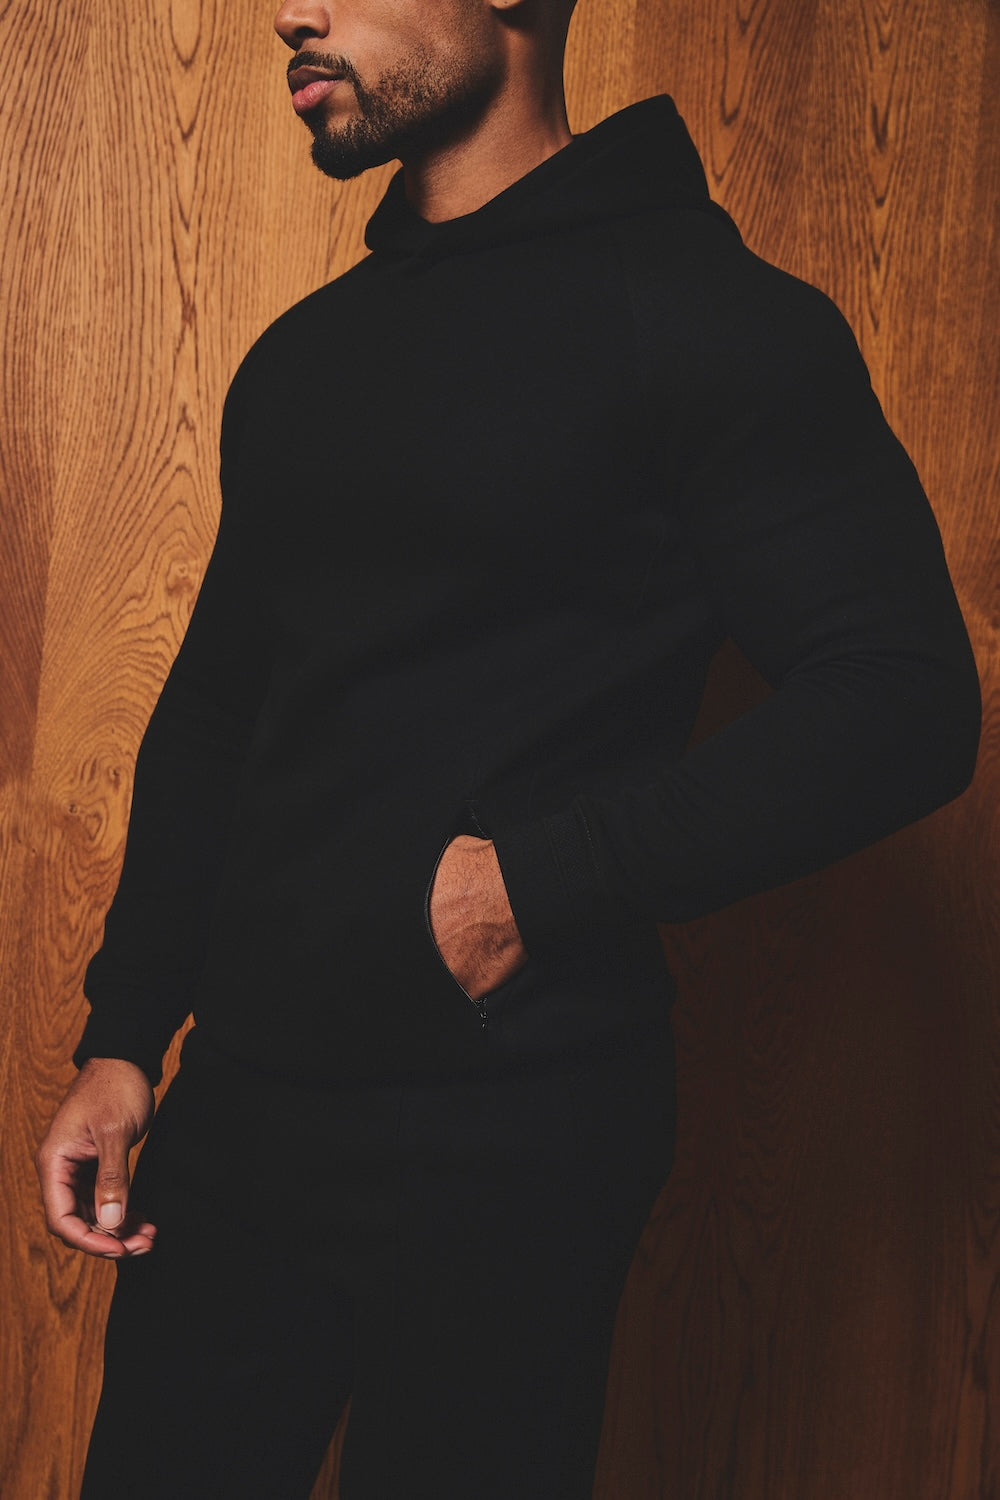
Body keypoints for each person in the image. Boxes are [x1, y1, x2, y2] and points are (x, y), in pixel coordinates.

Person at [35, 0, 981, 1495]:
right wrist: (126, 1034)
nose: (293, 12)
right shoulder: (306, 357)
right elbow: (219, 713)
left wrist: (529, 886)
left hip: (514, 1125)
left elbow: (902, 700)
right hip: (240, 1120)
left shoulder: (713, 319)